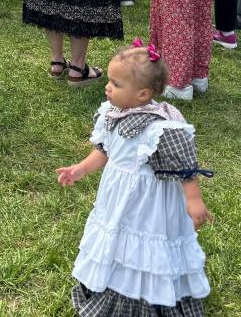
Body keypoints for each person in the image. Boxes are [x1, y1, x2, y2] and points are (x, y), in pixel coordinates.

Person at [56, 41, 212, 317]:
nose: (108, 87)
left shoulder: (161, 127)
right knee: (116, 238)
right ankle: (112, 282)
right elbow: (104, 151)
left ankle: (147, 297)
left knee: (144, 246)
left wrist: (194, 201)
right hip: (117, 198)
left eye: (116, 84)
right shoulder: (112, 113)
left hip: (147, 205)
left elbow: (185, 168)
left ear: (142, 94)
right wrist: (80, 169)